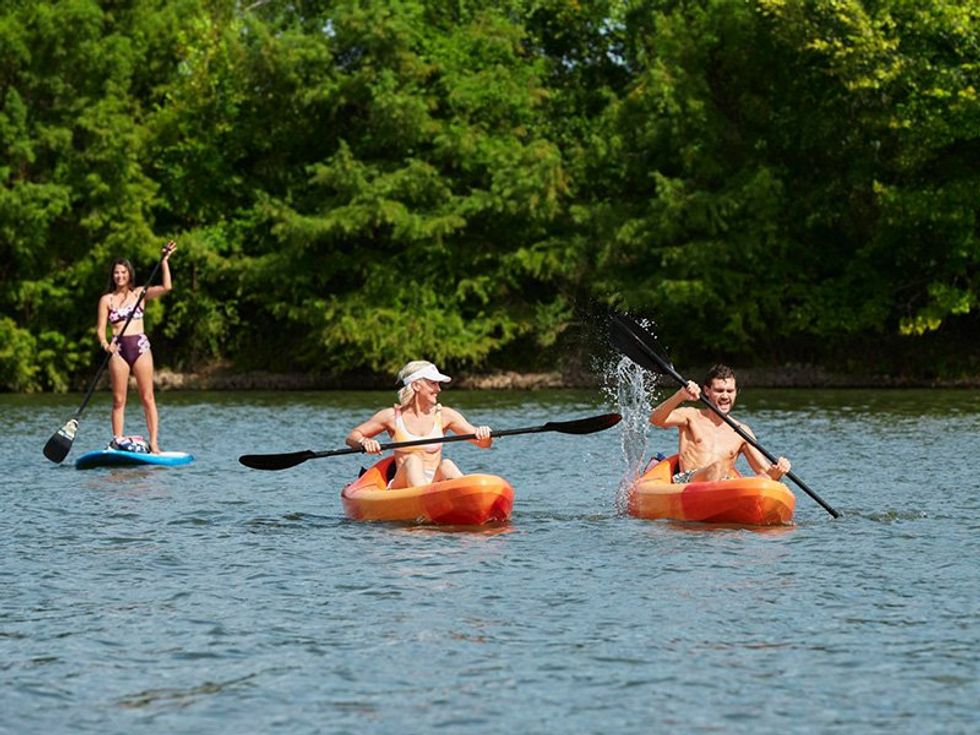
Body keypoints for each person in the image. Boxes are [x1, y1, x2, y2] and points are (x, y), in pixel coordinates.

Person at [346, 360, 493, 488]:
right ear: (416, 385)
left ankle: (468, 500)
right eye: (433, 383)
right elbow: (352, 436)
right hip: (402, 486)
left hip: (433, 483)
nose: (438, 389)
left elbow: (483, 444)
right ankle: (425, 500)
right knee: (413, 459)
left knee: (447, 464)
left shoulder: (445, 415)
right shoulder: (391, 416)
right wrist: (364, 441)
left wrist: (484, 434)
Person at [95, 241, 177, 454]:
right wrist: (105, 344)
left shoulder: (140, 293)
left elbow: (167, 287)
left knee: (147, 397)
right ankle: (117, 441)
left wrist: (165, 261)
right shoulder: (106, 299)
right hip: (118, 350)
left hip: (140, 347)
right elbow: (100, 329)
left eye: (123, 272)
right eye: (116, 273)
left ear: (129, 274)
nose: (119, 276)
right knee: (118, 399)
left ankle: (154, 443)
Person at [649, 363, 790, 483]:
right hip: (687, 481)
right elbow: (655, 419)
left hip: (723, 484)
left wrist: (778, 470)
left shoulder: (742, 431)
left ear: (736, 392)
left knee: (762, 478)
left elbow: (765, 472)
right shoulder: (691, 416)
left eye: (730, 391)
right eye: (719, 391)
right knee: (717, 467)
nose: (725, 396)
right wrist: (680, 396)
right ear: (707, 391)